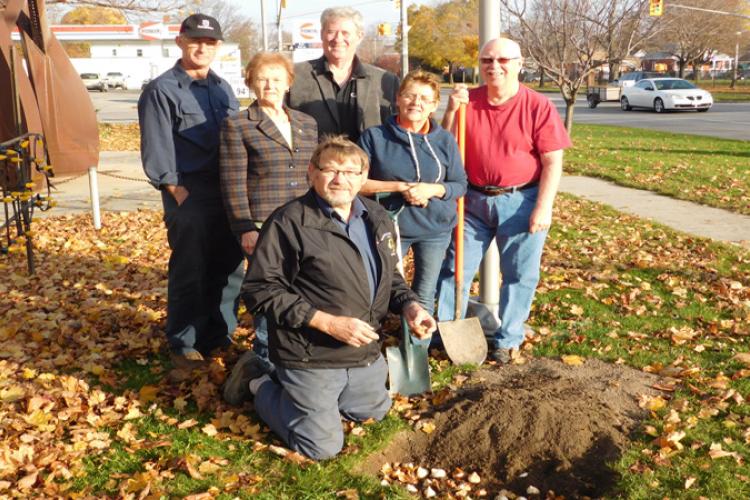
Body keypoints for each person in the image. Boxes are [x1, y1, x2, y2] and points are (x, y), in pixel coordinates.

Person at [223, 136, 437, 460]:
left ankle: (317, 398)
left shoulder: (377, 218)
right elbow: (259, 290)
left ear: (364, 178)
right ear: (312, 172)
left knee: (372, 413)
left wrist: (411, 306)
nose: (341, 179)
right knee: (321, 448)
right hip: (310, 353)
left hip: (363, 350)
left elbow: (390, 279)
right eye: (330, 170)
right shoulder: (289, 222)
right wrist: (326, 323)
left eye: (351, 172)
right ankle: (260, 382)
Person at [436, 38, 572, 363]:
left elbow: (553, 161)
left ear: (519, 63)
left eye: (502, 60)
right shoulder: (468, 102)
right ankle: (445, 332)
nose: (494, 66)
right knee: (454, 269)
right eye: (487, 60)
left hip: (521, 199)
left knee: (520, 275)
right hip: (471, 201)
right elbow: (442, 143)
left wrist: (544, 205)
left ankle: (507, 340)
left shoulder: (537, 105)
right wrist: (452, 109)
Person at [138, 13, 244, 376]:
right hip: (189, 190)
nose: (202, 47)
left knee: (229, 268)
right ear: (180, 41)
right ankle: (184, 344)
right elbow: (156, 146)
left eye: (210, 42)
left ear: (217, 47)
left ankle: (219, 336)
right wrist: (175, 189)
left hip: (227, 189)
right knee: (191, 269)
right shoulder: (161, 89)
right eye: (195, 40)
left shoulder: (222, 88)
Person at [219, 52, 318, 372]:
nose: (269, 85)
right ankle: (266, 358)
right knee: (269, 289)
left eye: (276, 79)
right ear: (250, 82)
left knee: (304, 286)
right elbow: (232, 180)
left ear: (289, 83)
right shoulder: (238, 125)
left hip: (305, 221)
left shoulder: (306, 123)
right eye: (262, 78)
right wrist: (244, 227)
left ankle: (299, 352)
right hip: (263, 225)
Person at [358, 69, 467, 321]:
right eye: (410, 95)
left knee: (424, 294)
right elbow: (358, 183)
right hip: (390, 228)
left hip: (435, 228)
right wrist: (400, 187)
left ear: (434, 106)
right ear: (397, 99)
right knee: (382, 291)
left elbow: (460, 184)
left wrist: (434, 189)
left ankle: (416, 350)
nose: (416, 102)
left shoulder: (444, 140)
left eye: (425, 99)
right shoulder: (375, 137)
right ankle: (373, 348)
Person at [287, 7, 399, 143]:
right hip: (313, 162)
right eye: (331, 32)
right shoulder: (295, 75)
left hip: (367, 163)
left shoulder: (385, 81)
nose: (338, 39)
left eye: (345, 33)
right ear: (322, 34)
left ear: (359, 36)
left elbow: (398, 129)